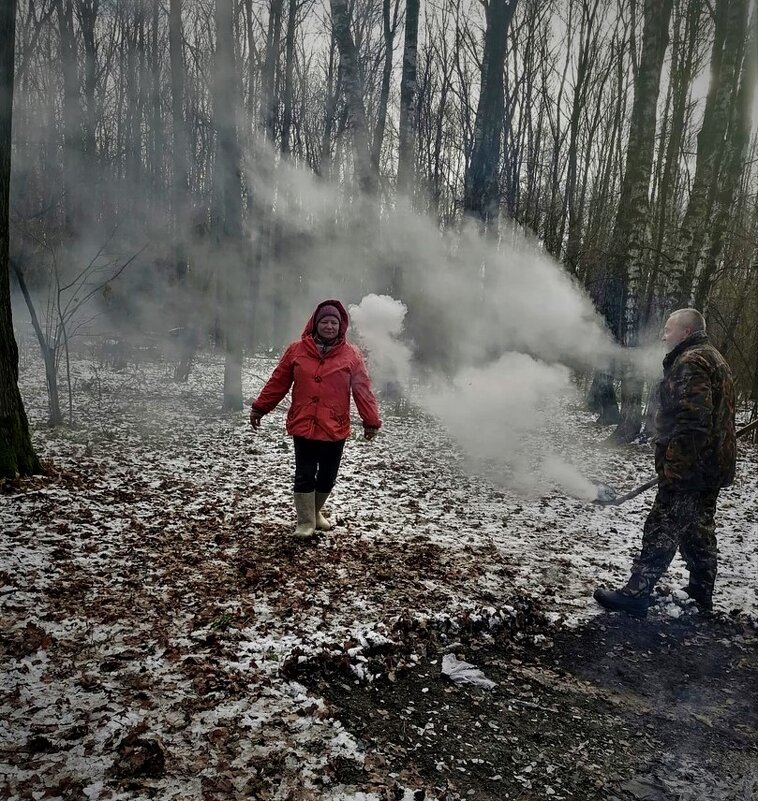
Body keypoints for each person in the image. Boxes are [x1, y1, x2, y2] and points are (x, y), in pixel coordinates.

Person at [594, 309, 737, 617]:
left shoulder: (691, 362)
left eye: (669, 329)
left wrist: (676, 468)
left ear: (685, 332)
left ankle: (636, 594)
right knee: (697, 529)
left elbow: (694, 421)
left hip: (690, 469)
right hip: (711, 466)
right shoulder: (714, 358)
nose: (663, 335)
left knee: (662, 526)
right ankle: (701, 592)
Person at [250, 300, 382, 538]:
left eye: (334, 322)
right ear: (315, 323)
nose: (329, 326)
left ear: (341, 326)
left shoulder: (352, 354)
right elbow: (278, 382)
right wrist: (260, 408)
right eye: (325, 321)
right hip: (304, 424)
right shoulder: (296, 350)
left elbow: (363, 390)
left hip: (335, 425)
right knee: (304, 473)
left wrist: (371, 421)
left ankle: (315, 513)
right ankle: (305, 522)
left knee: (328, 476)